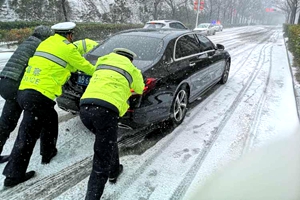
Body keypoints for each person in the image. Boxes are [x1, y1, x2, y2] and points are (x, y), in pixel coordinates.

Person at [2, 22, 96, 187]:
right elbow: (86, 67)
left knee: (50, 118)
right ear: (69, 35)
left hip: (24, 90)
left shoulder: (45, 44)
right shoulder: (68, 48)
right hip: (39, 95)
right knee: (27, 135)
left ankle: (48, 152)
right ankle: (13, 175)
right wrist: (103, 71)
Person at [79, 48, 145, 199]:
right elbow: (140, 89)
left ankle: (114, 170)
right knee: (101, 159)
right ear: (131, 59)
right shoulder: (132, 69)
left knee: (106, 140)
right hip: (106, 111)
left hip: (85, 108)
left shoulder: (102, 61)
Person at [0, 25, 53, 164]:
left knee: (6, 122)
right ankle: (40, 152)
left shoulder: (28, 42)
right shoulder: (40, 47)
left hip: (5, 81)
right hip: (16, 83)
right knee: (34, 117)